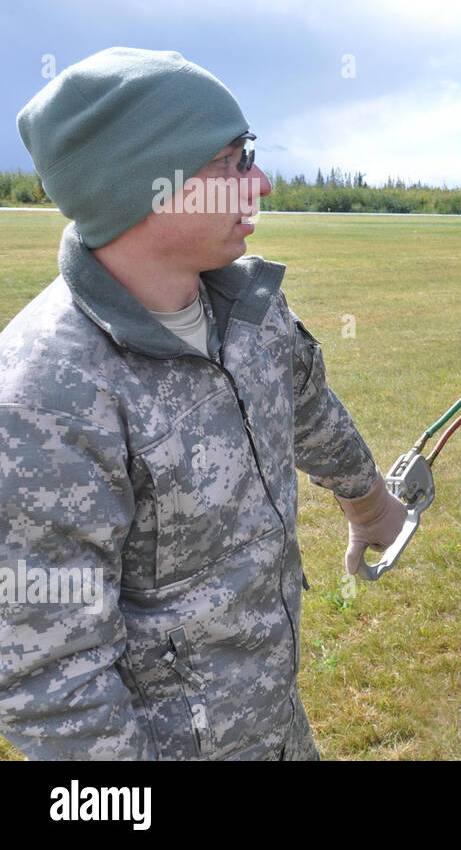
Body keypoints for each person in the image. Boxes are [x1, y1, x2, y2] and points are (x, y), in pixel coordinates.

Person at [0, 47, 407, 760]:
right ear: (145, 184)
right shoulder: (47, 394)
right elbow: (52, 682)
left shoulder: (246, 306)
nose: (263, 182)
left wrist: (369, 503)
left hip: (277, 728)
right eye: (234, 160)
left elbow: (306, 407)